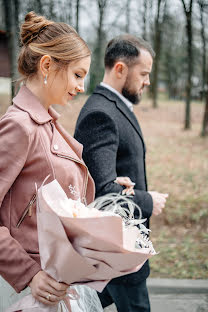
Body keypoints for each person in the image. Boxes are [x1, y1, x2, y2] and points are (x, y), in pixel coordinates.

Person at [0, 11, 99, 310]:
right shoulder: (20, 126)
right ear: (47, 65)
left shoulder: (48, 124)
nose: (81, 86)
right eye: (78, 74)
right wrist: (28, 274)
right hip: (29, 290)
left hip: (55, 283)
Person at [74, 34, 168, 312]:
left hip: (124, 249)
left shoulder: (115, 106)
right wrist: (148, 200)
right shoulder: (100, 114)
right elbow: (104, 192)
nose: (148, 81)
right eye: (144, 73)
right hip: (117, 251)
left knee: (91, 302)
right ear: (120, 69)